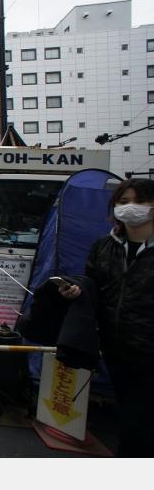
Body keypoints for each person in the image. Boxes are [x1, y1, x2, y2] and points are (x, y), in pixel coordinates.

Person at [58, 178, 154, 457]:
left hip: (150, 352)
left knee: (138, 427)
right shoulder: (104, 247)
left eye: (140, 201)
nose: (131, 208)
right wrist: (74, 291)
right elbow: (92, 287)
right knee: (129, 415)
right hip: (116, 349)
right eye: (124, 202)